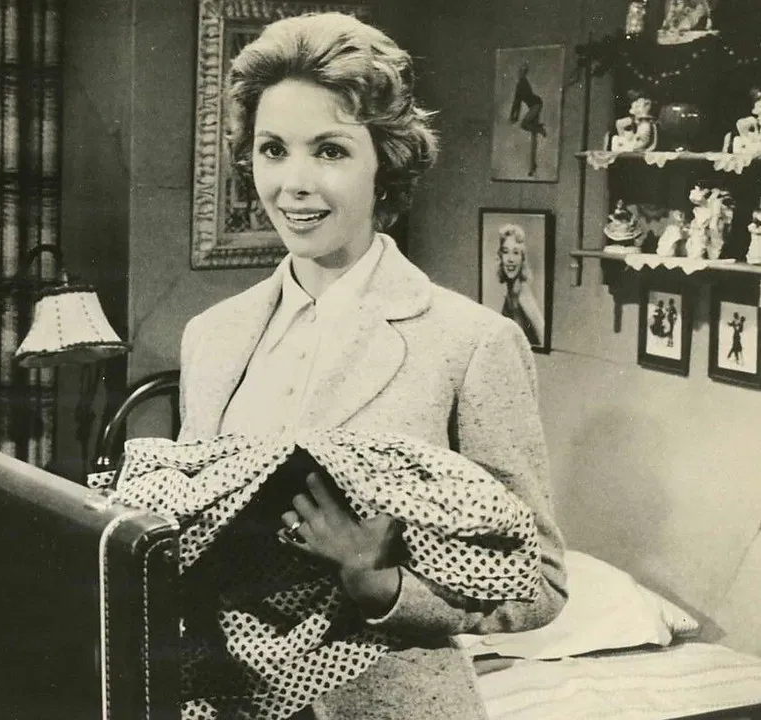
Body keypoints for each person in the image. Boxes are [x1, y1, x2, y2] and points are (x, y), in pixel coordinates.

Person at [177, 12, 567, 719]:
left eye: (329, 151)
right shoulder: (211, 337)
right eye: (272, 150)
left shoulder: (470, 342)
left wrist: (383, 585)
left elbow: (539, 582)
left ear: (384, 161)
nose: (293, 184)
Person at [495, 223, 548, 346]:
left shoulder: (523, 294)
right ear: (500, 257)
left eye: (516, 253)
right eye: (506, 252)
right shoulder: (511, 292)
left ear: (522, 258)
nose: (510, 259)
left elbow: (544, 337)